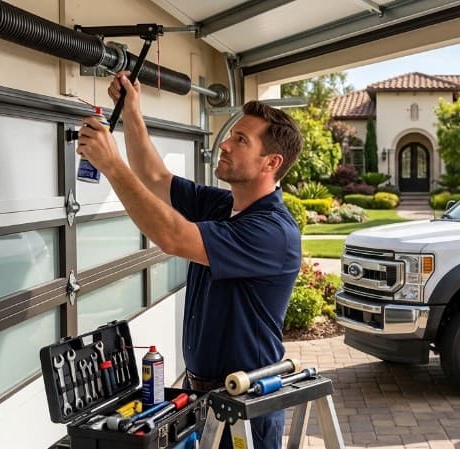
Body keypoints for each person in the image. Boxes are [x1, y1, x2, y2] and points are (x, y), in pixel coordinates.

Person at [76, 71, 304, 449]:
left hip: (245, 407)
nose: (224, 144)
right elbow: (154, 176)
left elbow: (173, 237)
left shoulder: (273, 233)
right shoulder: (221, 205)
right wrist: (131, 111)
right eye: (231, 135)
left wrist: (112, 165)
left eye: (241, 140)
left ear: (271, 162)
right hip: (201, 398)